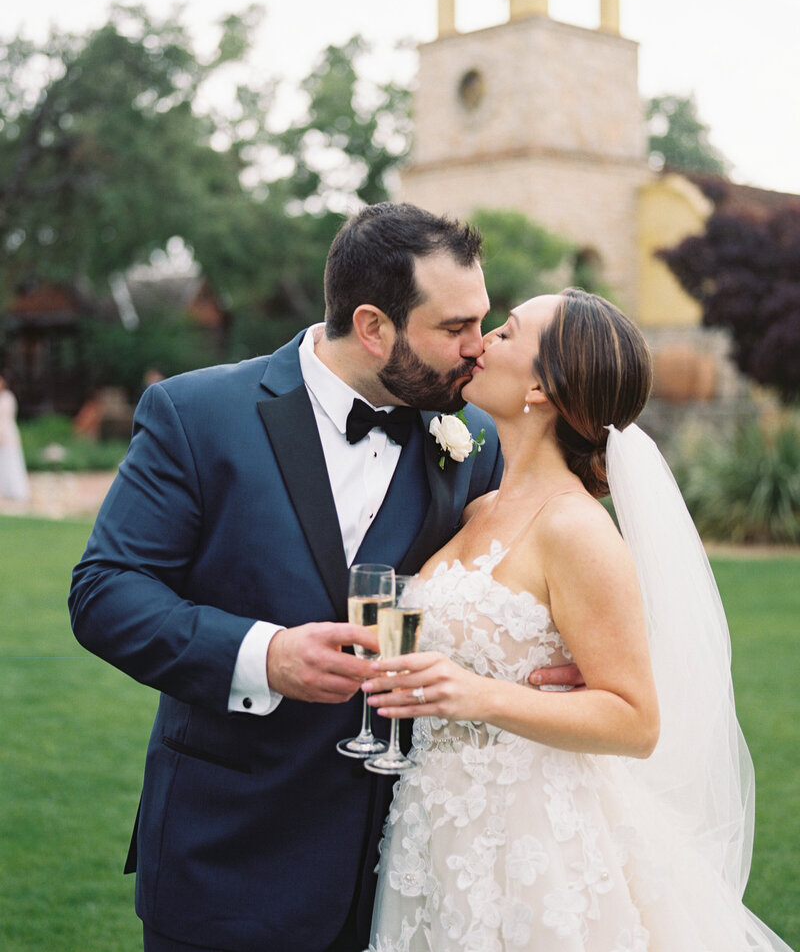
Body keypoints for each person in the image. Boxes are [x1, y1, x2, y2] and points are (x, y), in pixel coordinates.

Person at [68, 203, 577, 952]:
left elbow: (527, 574)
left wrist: (549, 670)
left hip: (404, 877)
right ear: (373, 326)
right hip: (226, 856)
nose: (478, 350)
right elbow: (105, 589)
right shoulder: (196, 413)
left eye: (483, 323)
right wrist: (263, 655)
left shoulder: (470, 440)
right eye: (454, 328)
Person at [365, 289, 794, 952]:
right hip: (437, 823)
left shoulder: (576, 529)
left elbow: (635, 719)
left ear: (543, 383)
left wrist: (477, 693)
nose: (480, 343)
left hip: (534, 840)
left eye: (505, 334)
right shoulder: (478, 509)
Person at [0, 373, 31, 502]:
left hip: (7, 433)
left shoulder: (8, 398)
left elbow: (6, 418)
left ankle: (16, 491)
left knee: (11, 461)